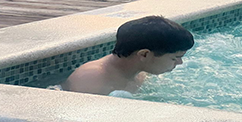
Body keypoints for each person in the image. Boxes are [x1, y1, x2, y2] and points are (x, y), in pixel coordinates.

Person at [62, 15, 194, 96]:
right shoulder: (91, 82)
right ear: (144, 54)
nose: (180, 63)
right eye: (174, 58)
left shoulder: (140, 73)